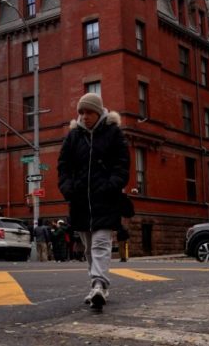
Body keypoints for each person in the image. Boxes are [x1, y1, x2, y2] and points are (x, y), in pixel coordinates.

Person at [58, 92, 130, 311]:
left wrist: (110, 186)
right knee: (89, 248)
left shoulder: (113, 133)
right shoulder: (73, 136)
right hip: (80, 202)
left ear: (98, 111)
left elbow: (122, 164)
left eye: (88, 111)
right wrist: (68, 189)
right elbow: (64, 166)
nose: (84, 116)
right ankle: (98, 284)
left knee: (100, 244)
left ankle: (98, 284)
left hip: (105, 200)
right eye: (81, 112)